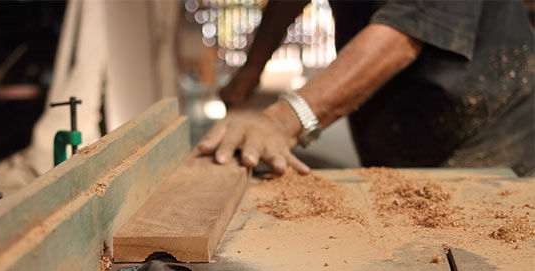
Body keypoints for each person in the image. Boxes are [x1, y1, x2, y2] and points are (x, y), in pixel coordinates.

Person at [197, 0, 534, 177]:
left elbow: (407, 30)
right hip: (396, 121)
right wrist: (252, 70)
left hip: (487, 126)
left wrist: (281, 121)